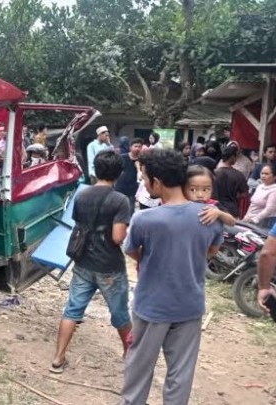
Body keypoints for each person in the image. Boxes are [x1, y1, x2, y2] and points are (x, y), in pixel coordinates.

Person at [122, 149, 223, 404]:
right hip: (190, 305)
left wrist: (154, 259)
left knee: (139, 370)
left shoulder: (144, 219)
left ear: (157, 181)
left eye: (145, 179)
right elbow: (211, 251)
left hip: (152, 307)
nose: (144, 184)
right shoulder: (210, 218)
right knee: (181, 373)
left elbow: (133, 251)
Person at [50, 150, 131, 374]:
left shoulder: (82, 195)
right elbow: (117, 237)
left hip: (83, 263)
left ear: (95, 170)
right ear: (119, 173)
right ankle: (130, 357)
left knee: (72, 311)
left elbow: (79, 224)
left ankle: (58, 358)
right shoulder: (121, 201)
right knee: (120, 314)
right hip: (110, 267)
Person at [214, 146, 248, 217]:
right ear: (232, 157)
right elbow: (244, 194)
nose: (236, 159)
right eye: (236, 156)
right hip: (231, 210)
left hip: (215, 208)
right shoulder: (238, 175)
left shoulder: (213, 173)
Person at [114, 138, 143, 213]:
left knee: (130, 210)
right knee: (118, 209)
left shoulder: (142, 160)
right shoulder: (122, 157)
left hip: (133, 189)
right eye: (135, 146)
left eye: (139, 146)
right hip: (120, 187)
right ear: (130, 147)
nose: (137, 148)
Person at [243, 162, 276, 228]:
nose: (263, 176)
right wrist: (246, 216)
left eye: (266, 174)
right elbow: (252, 204)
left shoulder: (274, 189)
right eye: (262, 173)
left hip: (265, 221)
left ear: (274, 177)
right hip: (251, 219)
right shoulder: (260, 186)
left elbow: (269, 209)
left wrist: (255, 219)